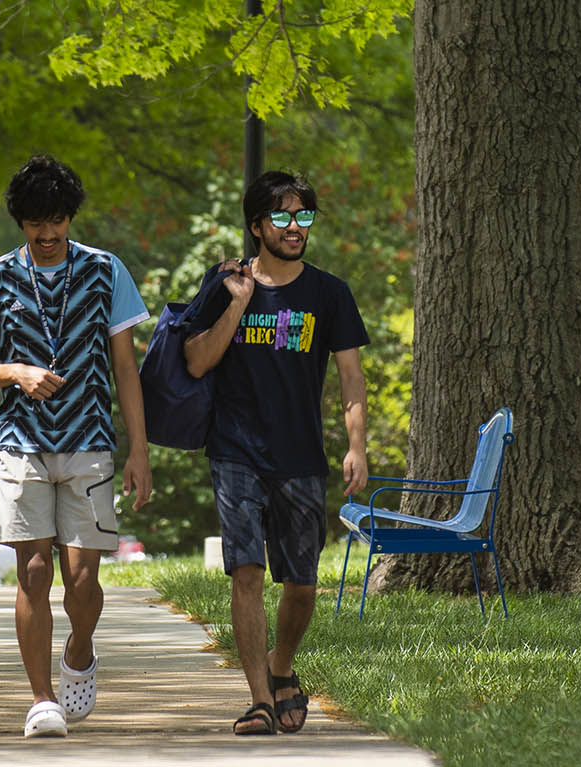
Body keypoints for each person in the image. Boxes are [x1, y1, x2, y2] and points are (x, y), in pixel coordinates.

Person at [0, 155, 154, 738]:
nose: (47, 235)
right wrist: (16, 371)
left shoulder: (104, 270)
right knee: (35, 571)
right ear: (21, 223)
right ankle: (42, 700)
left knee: (84, 580)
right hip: (21, 444)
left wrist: (138, 449)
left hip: (89, 439)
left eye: (57, 223)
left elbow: (125, 367)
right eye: (36, 225)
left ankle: (81, 651)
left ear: (70, 218)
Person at [183, 170, 370, 736]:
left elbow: (351, 378)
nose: (295, 227)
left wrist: (356, 445)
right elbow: (195, 361)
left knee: (303, 583)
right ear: (256, 226)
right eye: (283, 217)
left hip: (300, 454)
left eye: (303, 216)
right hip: (235, 450)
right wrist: (236, 305)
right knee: (246, 572)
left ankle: (281, 664)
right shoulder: (225, 284)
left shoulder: (329, 293)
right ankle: (260, 699)